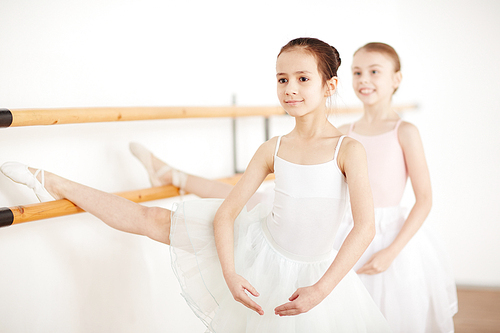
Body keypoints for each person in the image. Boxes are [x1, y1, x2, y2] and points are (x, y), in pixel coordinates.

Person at [1, 37, 391, 332]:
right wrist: (230, 273)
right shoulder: (273, 148)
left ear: (329, 85)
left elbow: (364, 227)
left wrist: (321, 290)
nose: (290, 88)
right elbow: (226, 215)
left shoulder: (347, 149)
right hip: (256, 247)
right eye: (282, 78)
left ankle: (168, 172)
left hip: (313, 273)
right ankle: (51, 180)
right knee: (151, 219)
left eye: (303, 78)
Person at [332, 42, 458, 332]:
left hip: (390, 238)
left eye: (374, 71)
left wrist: (391, 252)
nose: (364, 79)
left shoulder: (405, 132)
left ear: (396, 79)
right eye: (357, 72)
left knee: (392, 314)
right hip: (348, 233)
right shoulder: (342, 133)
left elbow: (424, 199)